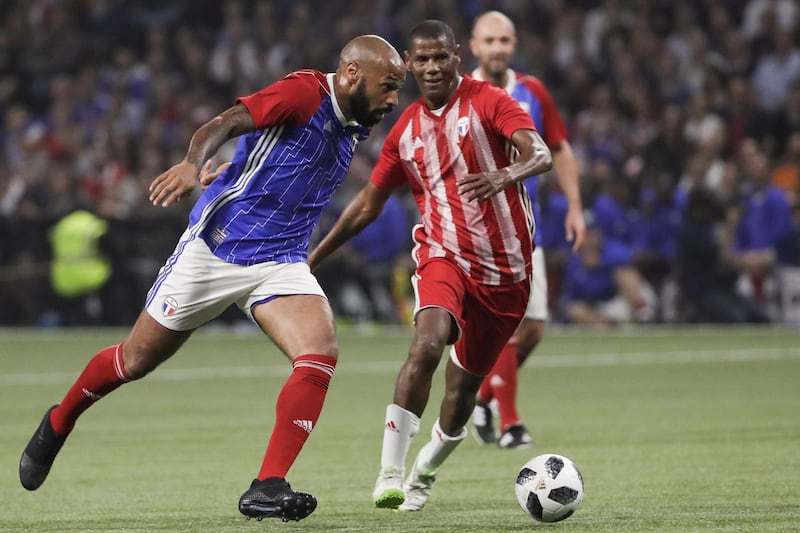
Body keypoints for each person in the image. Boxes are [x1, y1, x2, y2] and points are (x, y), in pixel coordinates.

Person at [18, 34, 406, 523]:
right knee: (134, 360)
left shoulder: (356, 116)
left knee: (320, 351)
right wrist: (193, 163)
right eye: (387, 86)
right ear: (352, 74)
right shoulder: (305, 92)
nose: (393, 99)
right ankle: (59, 420)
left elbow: (273, 154)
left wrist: (231, 167)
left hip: (280, 259)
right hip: (217, 247)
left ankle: (267, 485)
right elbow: (226, 123)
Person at [307, 20, 553, 512]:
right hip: (443, 255)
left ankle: (425, 471)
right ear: (409, 63)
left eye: (441, 57)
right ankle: (389, 473)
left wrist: (504, 173)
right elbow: (367, 205)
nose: (432, 67)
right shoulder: (406, 130)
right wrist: (311, 259)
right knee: (426, 342)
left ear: (457, 56)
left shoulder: (490, 102)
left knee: (462, 393)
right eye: (422, 60)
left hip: (507, 274)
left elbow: (539, 153)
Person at [467, 11, 586, 448]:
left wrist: (575, 206)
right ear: (474, 46)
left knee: (533, 328)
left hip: (524, 229)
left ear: (513, 44)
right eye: (490, 40)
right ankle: (512, 424)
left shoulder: (532, 91)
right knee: (509, 328)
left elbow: (559, 148)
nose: (498, 47)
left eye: (505, 39)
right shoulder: (463, 95)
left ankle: (481, 398)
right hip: (478, 234)